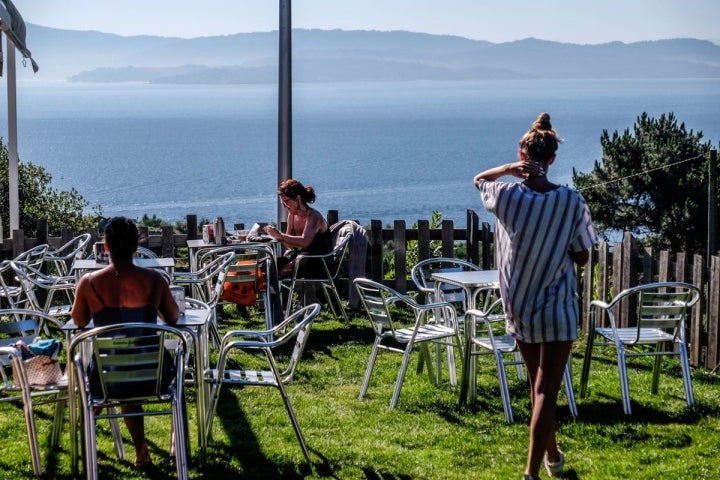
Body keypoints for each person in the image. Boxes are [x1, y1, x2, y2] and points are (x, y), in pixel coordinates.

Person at [473, 113, 597, 480]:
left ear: (523, 154)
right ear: (553, 159)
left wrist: (510, 168)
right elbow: (582, 255)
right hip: (558, 308)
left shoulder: (507, 195)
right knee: (545, 390)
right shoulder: (571, 201)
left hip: (520, 306)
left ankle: (553, 459)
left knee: (537, 387)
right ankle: (531, 473)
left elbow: (480, 179)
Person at [71, 216, 179, 469]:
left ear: (105, 246)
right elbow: (173, 317)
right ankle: (144, 453)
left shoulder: (88, 282)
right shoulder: (154, 280)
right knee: (131, 366)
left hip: (107, 376)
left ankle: (86, 455)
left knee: (105, 377)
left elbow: (78, 321)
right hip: (153, 374)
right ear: (135, 247)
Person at [263, 178, 333, 278]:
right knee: (266, 265)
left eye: (286, 201)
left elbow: (305, 242)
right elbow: (290, 246)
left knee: (278, 271)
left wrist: (281, 236)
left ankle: (276, 282)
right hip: (300, 259)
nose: (284, 206)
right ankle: (270, 287)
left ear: (298, 198)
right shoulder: (292, 216)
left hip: (319, 264)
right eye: (282, 202)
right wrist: (275, 236)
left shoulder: (313, 216)